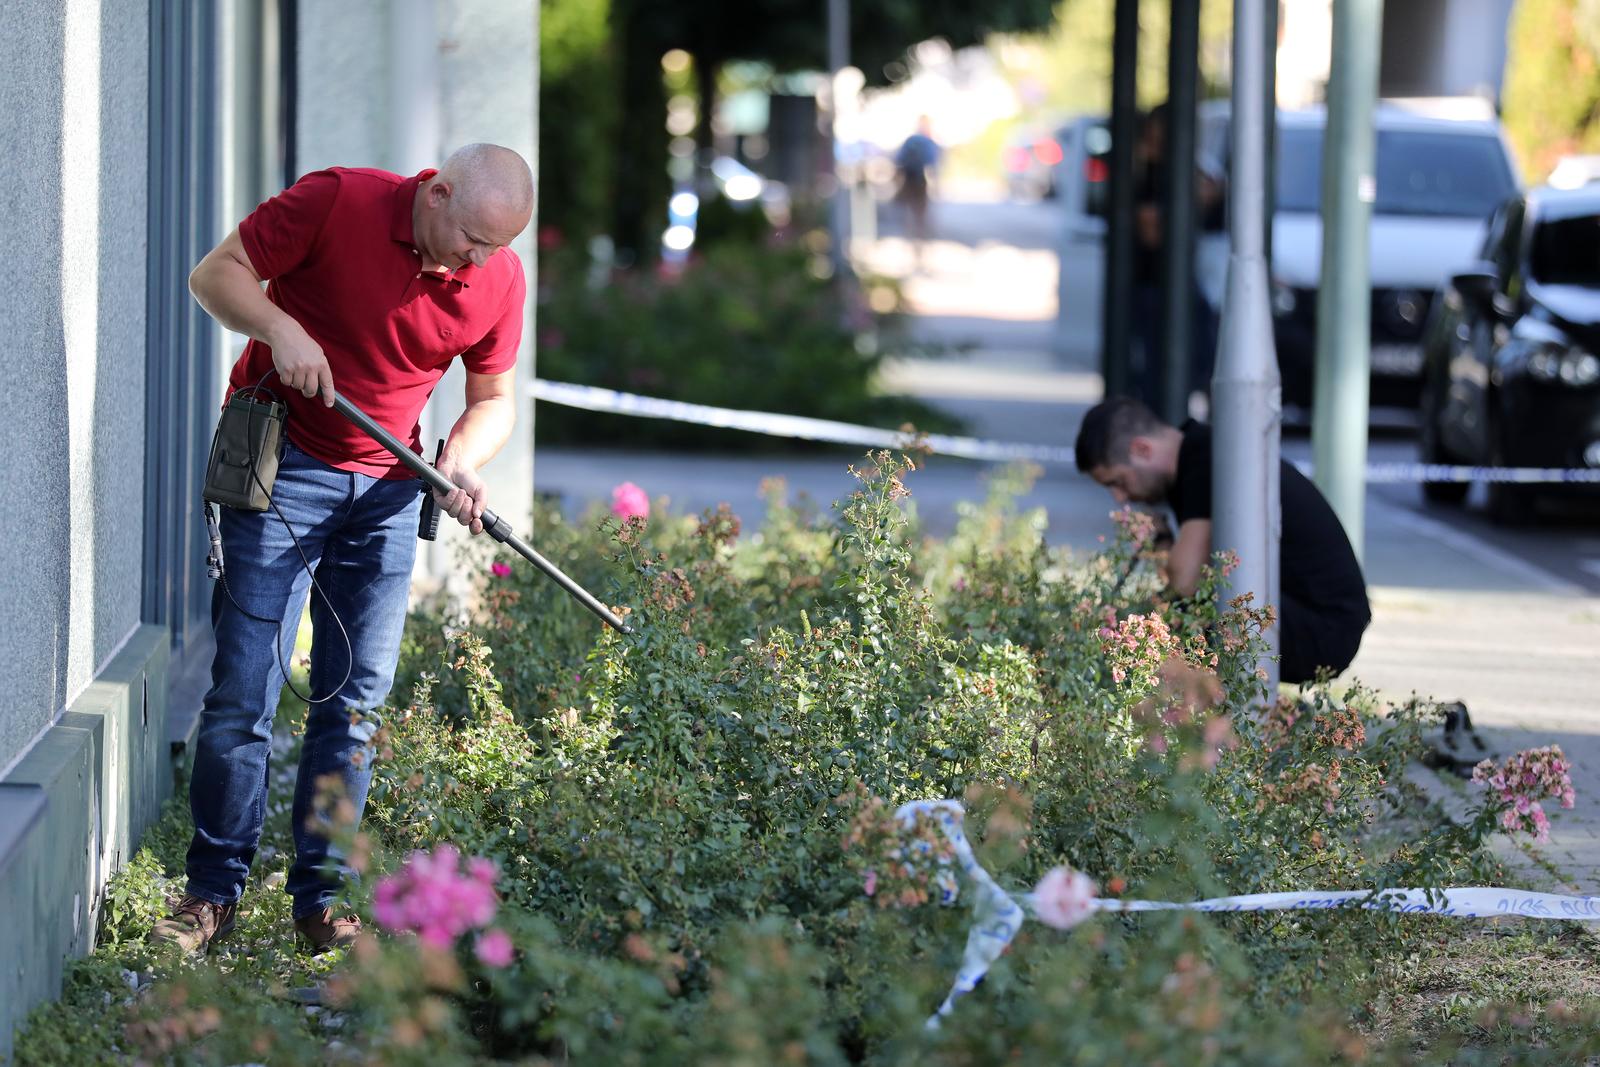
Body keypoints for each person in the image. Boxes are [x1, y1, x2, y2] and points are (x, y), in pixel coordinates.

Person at [151, 144, 534, 955]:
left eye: (497, 247)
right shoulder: (336, 202)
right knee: (242, 691)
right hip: (282, 464)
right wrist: (278, 326)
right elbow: (214, 274)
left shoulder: (497, 277)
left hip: (390, 491)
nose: (479, 260)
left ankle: (320, 904)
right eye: (473, 238)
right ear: (438, 192)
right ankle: (210, 894)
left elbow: (494, 396)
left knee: (354, 706)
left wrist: (462, 460)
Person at [1075, 397, 1371, 685]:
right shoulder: (1200, 451)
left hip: (1322, 628)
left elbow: (1185, 583)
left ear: (1142, 449)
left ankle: (1200, 715)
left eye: (1117, 482)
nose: (1120, 497)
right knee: (1178, 617)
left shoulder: (1204, 459)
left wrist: (1161, 540)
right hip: (1317, 618)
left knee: (1183, 620)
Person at [1131, 104, 1223, 412]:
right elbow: (1151, 232)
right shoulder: (1147, 174)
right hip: (1153, 281)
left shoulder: (1179, 171)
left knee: (1201, 352)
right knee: (1159, 364)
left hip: (1177, 279)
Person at [894, 115, 941, 262]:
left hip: (908, 181)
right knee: (921, 216)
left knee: (908, 214)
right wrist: (936, 186)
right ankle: (920, 247)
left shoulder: (910, 141)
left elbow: (898, 161)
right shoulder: (929, 143)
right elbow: (933, 165)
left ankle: (910, 246)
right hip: (920, 181)